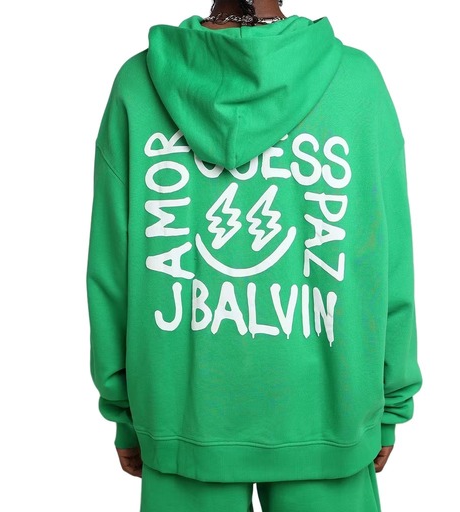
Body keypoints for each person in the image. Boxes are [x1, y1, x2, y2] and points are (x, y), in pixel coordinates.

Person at [85, 0, 423, 510]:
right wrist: (390, 402)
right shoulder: (356, 84)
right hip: (328, 409)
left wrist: (125, 409)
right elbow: (387, 259)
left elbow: (112, 269)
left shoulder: (140, 85)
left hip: (182, 414)